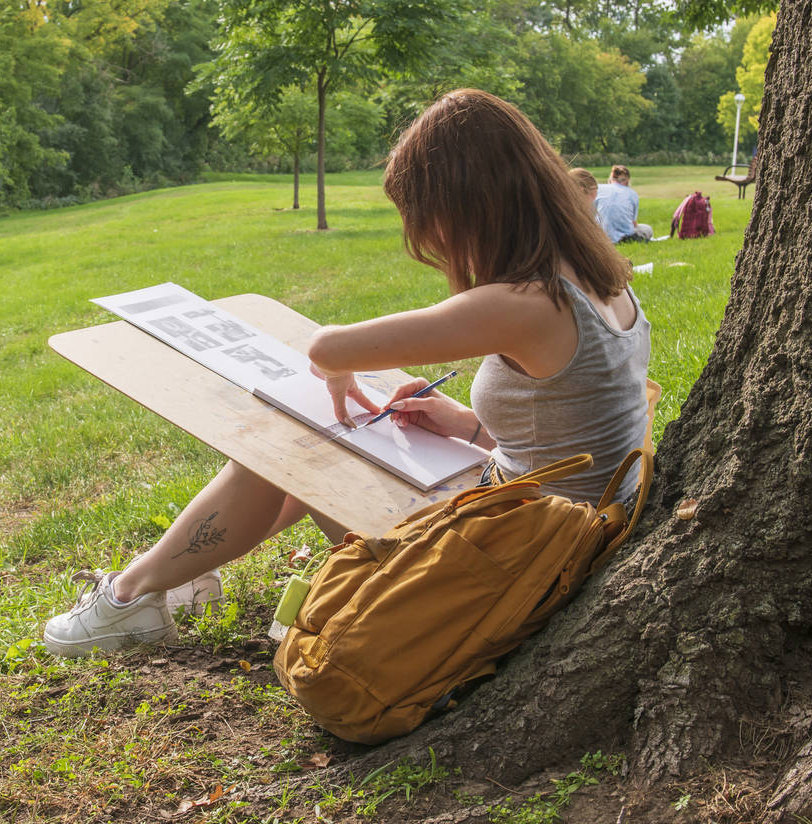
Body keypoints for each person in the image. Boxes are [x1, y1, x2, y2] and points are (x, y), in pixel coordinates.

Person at [42, 89, 653, 657]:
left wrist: (336, 370)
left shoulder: (522, 303)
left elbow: (329, 346)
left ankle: (127, 599)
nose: (431, 241)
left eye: (428, 219)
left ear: (469, 207)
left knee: (296, 443)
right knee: (313, 445)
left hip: (512, 566)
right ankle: (160, 577)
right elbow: (583, 428)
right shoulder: (602, 281)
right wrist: (465, 424)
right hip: (551, 534)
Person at [594, 165, 652, 243]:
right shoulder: (632, 194)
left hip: (599, 235)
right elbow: (634, 223)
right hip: (625, 237)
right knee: (647, 229)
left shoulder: (598, 189)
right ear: (627, 181)